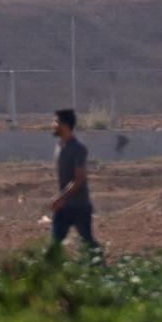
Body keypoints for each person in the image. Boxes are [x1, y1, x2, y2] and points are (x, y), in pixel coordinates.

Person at [49, 108, 97, 254]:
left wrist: (61, 198)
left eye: (56, 122)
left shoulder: (78, 148)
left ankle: (101, 271)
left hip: (79, 206)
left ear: (65, 125)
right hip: (64, 208)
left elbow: (79, 179)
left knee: (88, 244)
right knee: (54, 245)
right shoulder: (59, 146)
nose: (53, 125)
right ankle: (49, 273)